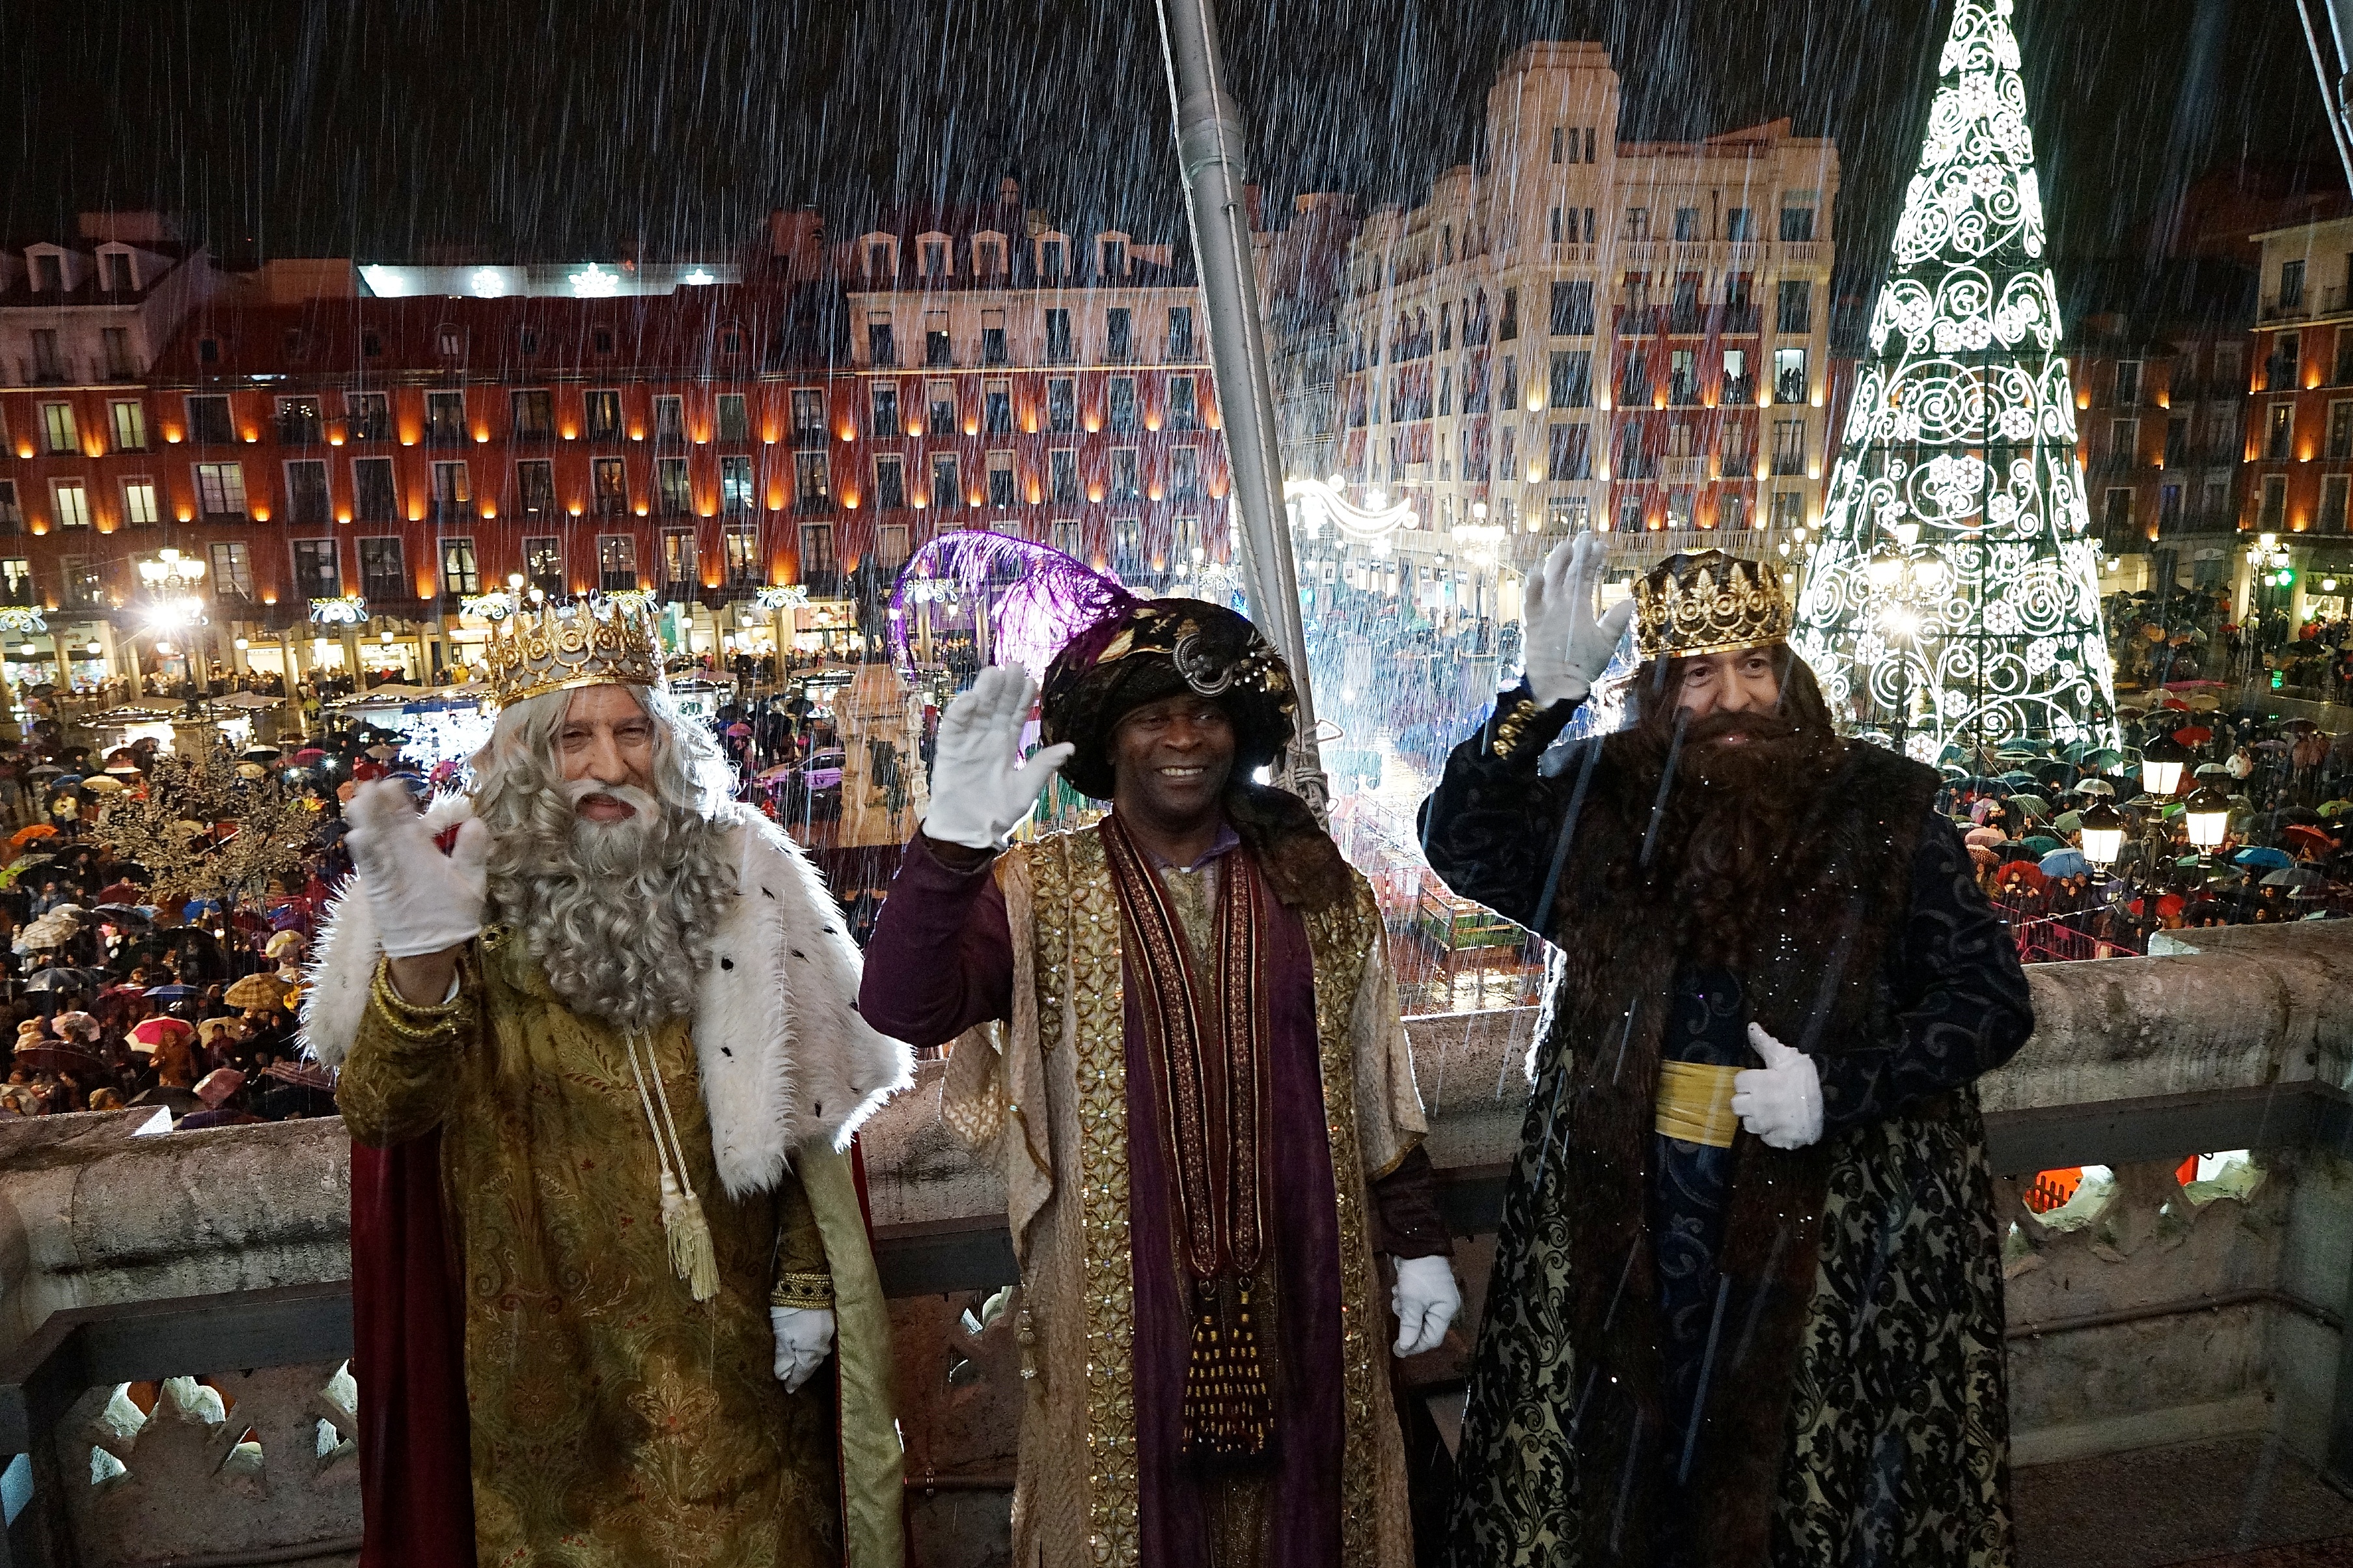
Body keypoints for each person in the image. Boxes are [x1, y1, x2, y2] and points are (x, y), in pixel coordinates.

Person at [1418, 539, 2035, 1567]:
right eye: (1700, 672)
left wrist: (1837, 1088)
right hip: (1633, 1207)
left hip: (1825, 1220)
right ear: (1660, 690)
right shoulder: (1603, 803)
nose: (1737, 697)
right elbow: (1463, 841)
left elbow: (1990, 999)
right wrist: (1539, 699)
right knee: (1633, 1473)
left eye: (1756, 665)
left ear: (1790, 674)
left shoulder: (1882, 810)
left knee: (1795, 1478)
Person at [301, 597, 912, 1567]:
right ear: (520, 755)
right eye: (572, 737)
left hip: (731, 1342)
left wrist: (806, 1275)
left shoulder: (743, 871)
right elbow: (380, 1114)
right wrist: (420, 967)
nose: (611, 765)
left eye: (633, 732)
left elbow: (814, 1108)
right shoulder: (452, 887)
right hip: (535, 1349)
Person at [861, 599, 1456, 1568]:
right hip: (1113, 1309)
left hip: (1309, 1285)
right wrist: (952, 842)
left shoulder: (1317, 887)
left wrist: (1420, 1241)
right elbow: (901, 1003)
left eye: (1208, 713)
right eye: (1151, 716)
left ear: (1241, 732)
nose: (1184, 738)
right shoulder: (1038, 891)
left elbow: (1373, 1069)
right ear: (1108, 739)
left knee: (1312, 1518)